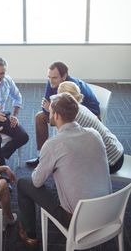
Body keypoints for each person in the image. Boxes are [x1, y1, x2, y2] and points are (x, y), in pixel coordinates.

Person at [18, 93, 112, 248]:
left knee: (23, 183)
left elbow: (36, 181)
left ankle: (30, 235)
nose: (48, 113)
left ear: (56, 115)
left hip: (78, 219)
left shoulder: (54, 144)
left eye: (50, 111)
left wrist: (46, 164)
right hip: (109, 211)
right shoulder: (94, 134)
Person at [26, 61, 100, 166]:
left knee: (62, 124)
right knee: (39, 117)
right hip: (65, 113)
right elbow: (45, 106)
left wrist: (51, 109)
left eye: (54, 78)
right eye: (49, 77)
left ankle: (64, 160)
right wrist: (49, 110)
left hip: (87, 115)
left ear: (64, 76)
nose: (51, 81)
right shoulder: (51, 82)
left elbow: (71, 112)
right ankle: (42, 157)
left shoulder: (72, 87)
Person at [57, 81, 124, 173]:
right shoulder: (80, 108)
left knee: (65, 163)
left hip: (111, 161)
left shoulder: (72, 118)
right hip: (117, 151)